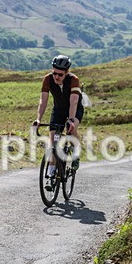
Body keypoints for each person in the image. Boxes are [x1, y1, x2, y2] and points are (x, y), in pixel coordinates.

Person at [32, 55, 84, 183]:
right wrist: (38, 119)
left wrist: (71, 120)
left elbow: (74, 102)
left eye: (60, 75)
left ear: (66, 73)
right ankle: (50, 175)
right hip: (58, 110)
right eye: (54, 73)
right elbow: (43, 101)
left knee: (71, 130)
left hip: (74, 109)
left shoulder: (73, 80)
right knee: (53, 142)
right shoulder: (47, 79)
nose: (56, 77)